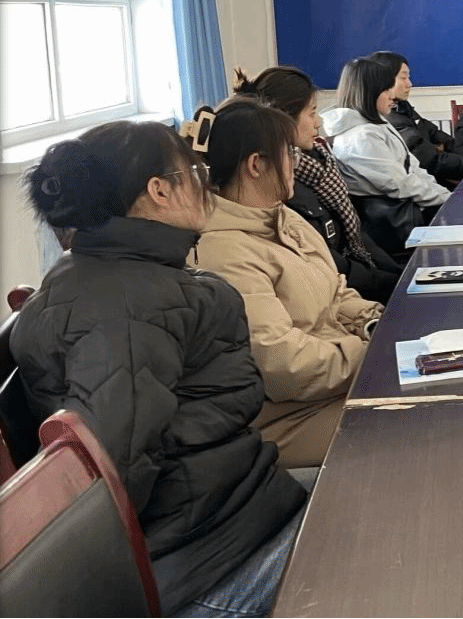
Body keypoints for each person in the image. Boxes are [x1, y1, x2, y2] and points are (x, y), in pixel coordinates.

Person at [11, 121, 307, 617]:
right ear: (160, 191)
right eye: (195, 172)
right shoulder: (126, 308)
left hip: (239, 515)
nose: (206, 185)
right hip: (207, 564)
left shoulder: (129, 277)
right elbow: (115, 470)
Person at [192, 97, 383, 469]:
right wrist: (370, 355)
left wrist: (375, 325)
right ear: (256, 165)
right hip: (288, 420)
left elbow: (336, 292)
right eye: (289, 154)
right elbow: (282, 363)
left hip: (336, 385)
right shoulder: (222, 251)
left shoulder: (284, 217)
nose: (296, 164)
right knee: (418, 424)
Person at [232, 65, 403, 303]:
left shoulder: (318, 163)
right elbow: (331, 265)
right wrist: (396, 286)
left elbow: (356, 235)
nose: (318, 122)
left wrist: (401, 276)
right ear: (283, 119)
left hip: (356, 290)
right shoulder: (280, 188)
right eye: (312, 113)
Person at [321, 56, 451, 255]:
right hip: (395, 227)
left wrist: (445, 195)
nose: (393, 95)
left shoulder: (378, 125)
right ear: (368, 93)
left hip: (411, 210)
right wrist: (447, 199)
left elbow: (413, 168)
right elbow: (400, 184)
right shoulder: (360, 137)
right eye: (386, 89)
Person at [368, 50, 463, 187]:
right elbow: (432, 162)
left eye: (408, 77)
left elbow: (442, 138)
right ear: (383, 81)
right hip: (427, 186)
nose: (410, 84)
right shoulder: (389, 119)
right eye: (403, 78)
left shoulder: (402, 107)